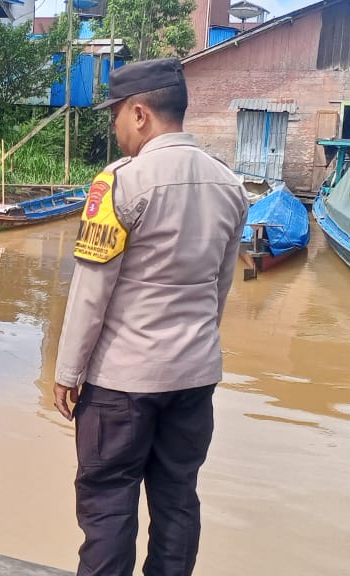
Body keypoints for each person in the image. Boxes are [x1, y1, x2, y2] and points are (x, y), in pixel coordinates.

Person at [52, 58, 248, 576]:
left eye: (115, 114)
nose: (113, 126)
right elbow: (218, 290)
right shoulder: (231, 187)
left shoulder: (119, 185)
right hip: (194, 378)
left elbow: (91, 293)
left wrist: (67, 374)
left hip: (121, 384)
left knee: (108, 505)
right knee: (178, 500)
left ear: (139, 114)